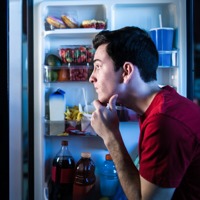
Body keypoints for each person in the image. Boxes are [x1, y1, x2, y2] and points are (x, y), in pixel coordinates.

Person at [89, 26, 200, 200]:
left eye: (97, 67)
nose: (91, 77)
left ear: (126, 71)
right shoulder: (162, 105)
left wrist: (111, 137)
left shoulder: (164, 121)